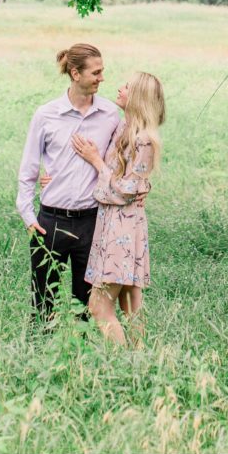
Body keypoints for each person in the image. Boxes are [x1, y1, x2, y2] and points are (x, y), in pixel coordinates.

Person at [16, 43, 120, 321]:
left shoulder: (110, 115)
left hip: (91, 221)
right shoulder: (46, 114)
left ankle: (81, 360)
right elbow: (28, 169)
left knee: (86, 303)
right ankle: (38, 354)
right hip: (49, 221)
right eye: (96, 73)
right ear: (75, 73)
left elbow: (119, 165)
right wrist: (28, 216)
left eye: (102, 72)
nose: (102, 78)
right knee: (42, 300)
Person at [72, 71, 165, 346]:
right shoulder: (124, 127)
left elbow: (126, 190)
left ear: (137, 97)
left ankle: (122, 366)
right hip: (113, 222)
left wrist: (95, 162)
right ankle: (138, 366)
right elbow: (133, 184)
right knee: (129, 304)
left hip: (123, 228)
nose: (120, 89)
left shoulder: (144, 139)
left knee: (99, 307)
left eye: (126, 86)